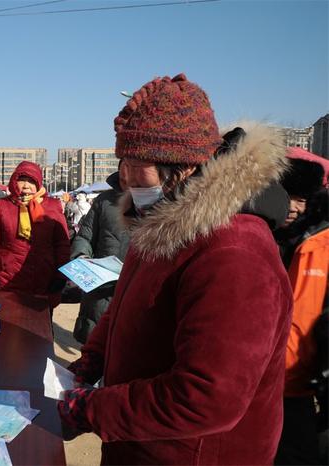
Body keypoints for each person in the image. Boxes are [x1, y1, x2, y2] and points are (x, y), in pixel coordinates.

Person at [58, 74, 293, 464]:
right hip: (140, 444)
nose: (126, 178)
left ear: (181, 169)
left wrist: (90, 410)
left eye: (138, 165)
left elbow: (206, 397)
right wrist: (89, 362)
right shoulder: (159, 227)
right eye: (123, 163)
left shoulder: (235, 250)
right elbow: (124, 310)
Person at [274, 156, 328, 465]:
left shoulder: (321, 244)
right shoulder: (265, 237)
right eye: (287, 197)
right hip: (263, 385)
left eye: (302, 199)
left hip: (301, 386)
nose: (293, 207)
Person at [0, 161, 70, 308]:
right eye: (22, 180)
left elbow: (62, 245)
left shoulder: (53, 206)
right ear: (14, 181)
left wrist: (60, 276)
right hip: (9, 281)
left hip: (44, 282)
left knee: (40, 329)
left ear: (39, 183)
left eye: (31, 181)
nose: (26, 186)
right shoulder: (0, 206)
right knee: (9, 327)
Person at [70, 167, 130, 343]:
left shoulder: (160, 204)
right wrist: (81, 257)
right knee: (93, 353)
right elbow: (84, 237)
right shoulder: (103, 201)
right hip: (99, 291)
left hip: (134, 294)